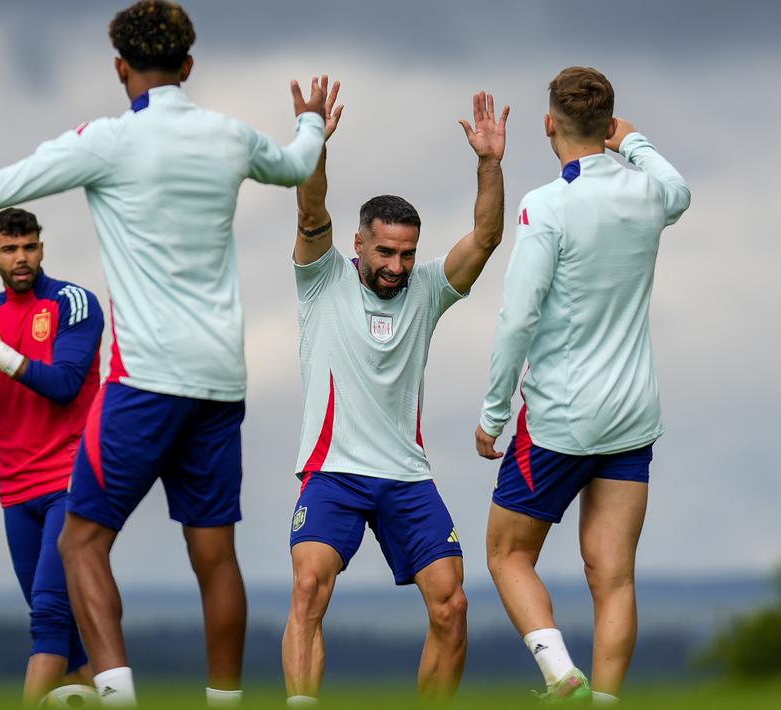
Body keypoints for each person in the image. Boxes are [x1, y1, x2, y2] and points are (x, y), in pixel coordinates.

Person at [0, 2, 327, 705]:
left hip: (147, 380)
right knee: (215, 557)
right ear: (188, 65)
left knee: (80, 543)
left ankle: (116, 695)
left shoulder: (107, 141)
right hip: (220, 381)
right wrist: (311, 121)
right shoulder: (230, 135)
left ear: (120, 68)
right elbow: (299, 162)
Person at [280, 83, 507, 707]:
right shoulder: (322, 278)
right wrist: (313, 142)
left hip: (406, 475)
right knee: (309, 589)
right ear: (358, 244)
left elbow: (486, 237)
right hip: (334, 471)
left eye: (407, 254)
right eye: (385, 252)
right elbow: (311, 211)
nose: (397, 266)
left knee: (452, 604)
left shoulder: (427, 288)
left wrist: (489, 163)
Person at [475, 66, 690, 704]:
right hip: (632, 415)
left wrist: (492, 413)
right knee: (614, 577)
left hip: (561, 420)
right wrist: (634, 141)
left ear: (549, 124)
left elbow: (518, 318)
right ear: (609, 124)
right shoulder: (647, 193)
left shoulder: (547, 205)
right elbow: (679, 191)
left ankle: (559, 672)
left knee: (507, 554)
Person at [0, 207, 103, 707]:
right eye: (9, 249)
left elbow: (65, 383)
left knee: (49, 617)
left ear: (42, 247)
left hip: (71, 481)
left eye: (29, 246)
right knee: (66, 638)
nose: (21, 257)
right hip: (15, 491)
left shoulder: (73, 302)